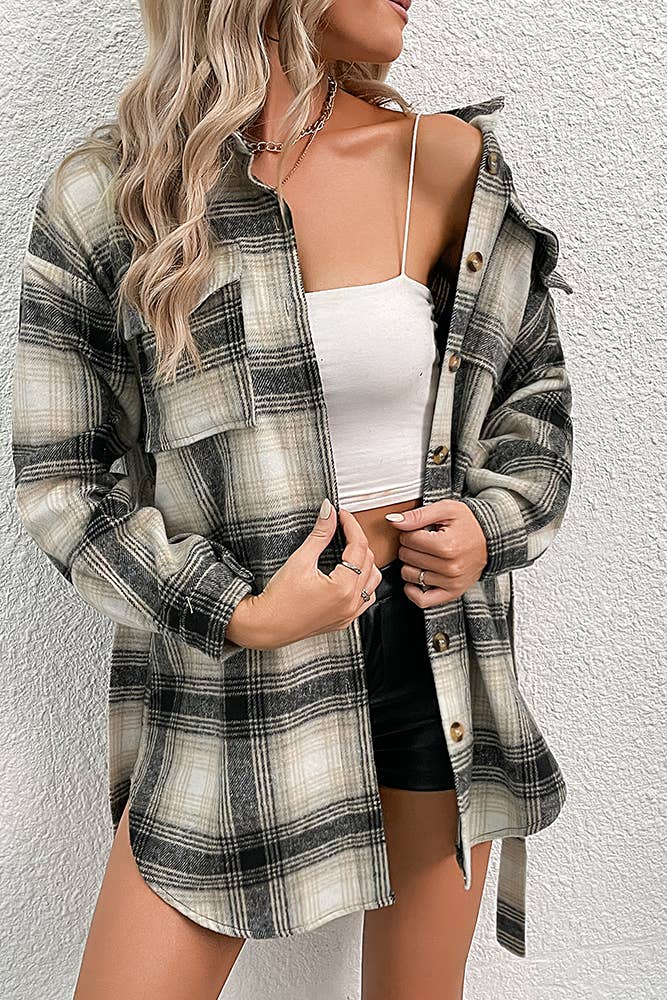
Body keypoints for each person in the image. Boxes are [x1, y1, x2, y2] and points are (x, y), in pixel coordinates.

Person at [11, 1, 575, 998]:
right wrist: (240, 610)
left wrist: (487, 528)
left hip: (434, 657)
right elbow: (61, 482)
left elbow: (532, 402)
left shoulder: (443, 163)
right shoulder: (114, 195)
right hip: (237, 681)